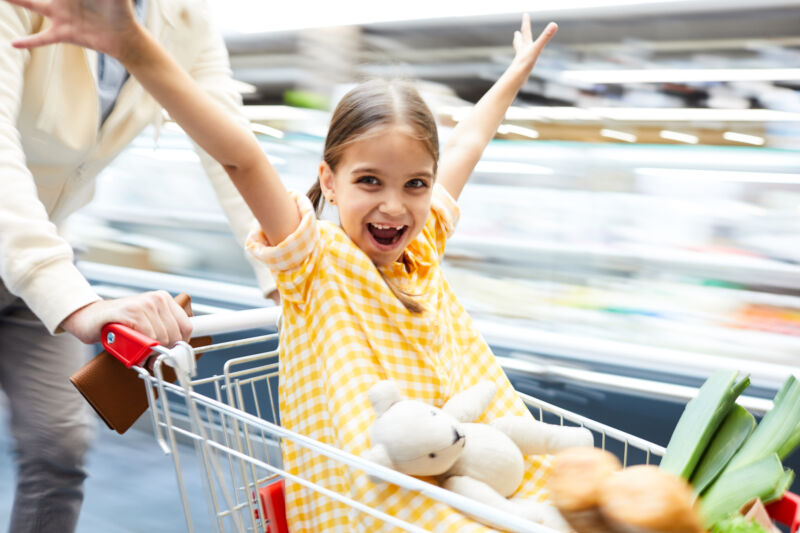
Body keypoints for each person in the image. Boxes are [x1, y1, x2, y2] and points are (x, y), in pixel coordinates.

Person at [4, 0, 558, 530]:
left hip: (438, 473)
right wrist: (135, 49)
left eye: (415, 184)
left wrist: (513, 75)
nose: (395, 204)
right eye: (369, 181)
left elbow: (467, 146)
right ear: (328, 182)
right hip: (366, 498)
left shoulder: (424, 240)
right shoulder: (311, 257)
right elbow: (239, 157)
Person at [0, 0, 276, 531]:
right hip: (43, 265)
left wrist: (291, 277)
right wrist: (76, 301)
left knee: (60, 448)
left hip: (46, 254)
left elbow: (233, 153)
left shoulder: (184, 19)